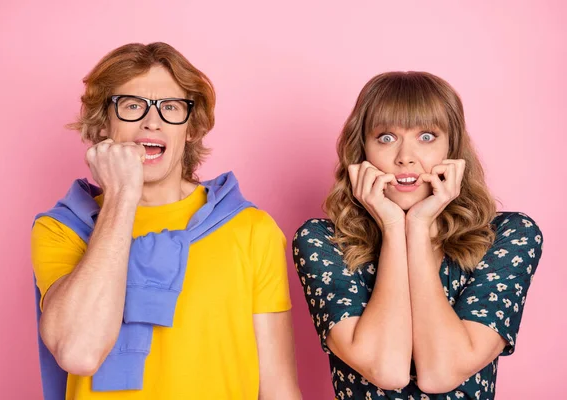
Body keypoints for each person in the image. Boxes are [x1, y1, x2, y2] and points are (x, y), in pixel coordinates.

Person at [31, 42, 301, 400]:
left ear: (191, 128)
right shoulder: (62, 229)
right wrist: (122, 197)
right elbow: (78, 351)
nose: (152, 121)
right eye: (131, 106)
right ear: (104, 125)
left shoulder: (251, 230)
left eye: (171, 107)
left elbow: (278, 386)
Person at [293, 71, 543, 400]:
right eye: (385, 137)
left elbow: (441, 374)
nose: (405, 157)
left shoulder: (509, 237)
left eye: (426, 136)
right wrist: (395, 228)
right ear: (362, 150)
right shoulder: (322, 243)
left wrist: (420, 225)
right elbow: (387, 370)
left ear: (453, 148)